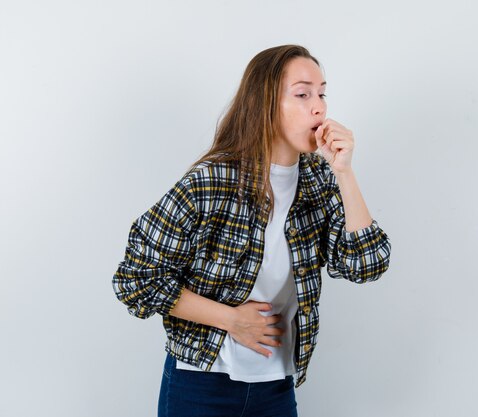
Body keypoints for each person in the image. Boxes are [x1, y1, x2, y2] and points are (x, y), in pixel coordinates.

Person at [112, 44, 392, 417]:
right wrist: (231, 320)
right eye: (303, 93)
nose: (320, 107)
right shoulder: (210, 181)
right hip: (201, 383)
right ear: (265, 105)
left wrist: (344, 172)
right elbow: (136, 281)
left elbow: (366, 264)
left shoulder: (319, 180)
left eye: (322, 93)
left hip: (276, 387)